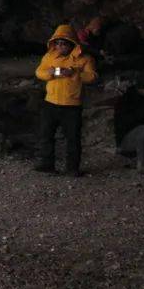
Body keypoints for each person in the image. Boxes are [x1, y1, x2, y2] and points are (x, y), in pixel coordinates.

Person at [33, 25, 98, 177]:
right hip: (51, 103)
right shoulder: (49, 57)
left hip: (72, 105)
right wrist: (49, 73)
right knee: (46, 135)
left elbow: (93, 76)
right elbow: (39, 72)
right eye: (58, 43)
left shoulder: (85, 59)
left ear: (72, 43)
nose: (60, 46)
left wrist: (75, 73)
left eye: (64, 43)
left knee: (73, 139)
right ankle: (46, 164)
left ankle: (72, 168)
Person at [114, 84, 144, 175]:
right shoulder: (126, 101)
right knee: (143, 129)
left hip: (139, 140)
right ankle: (142, 165)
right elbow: (125, 124)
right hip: (125, 142)